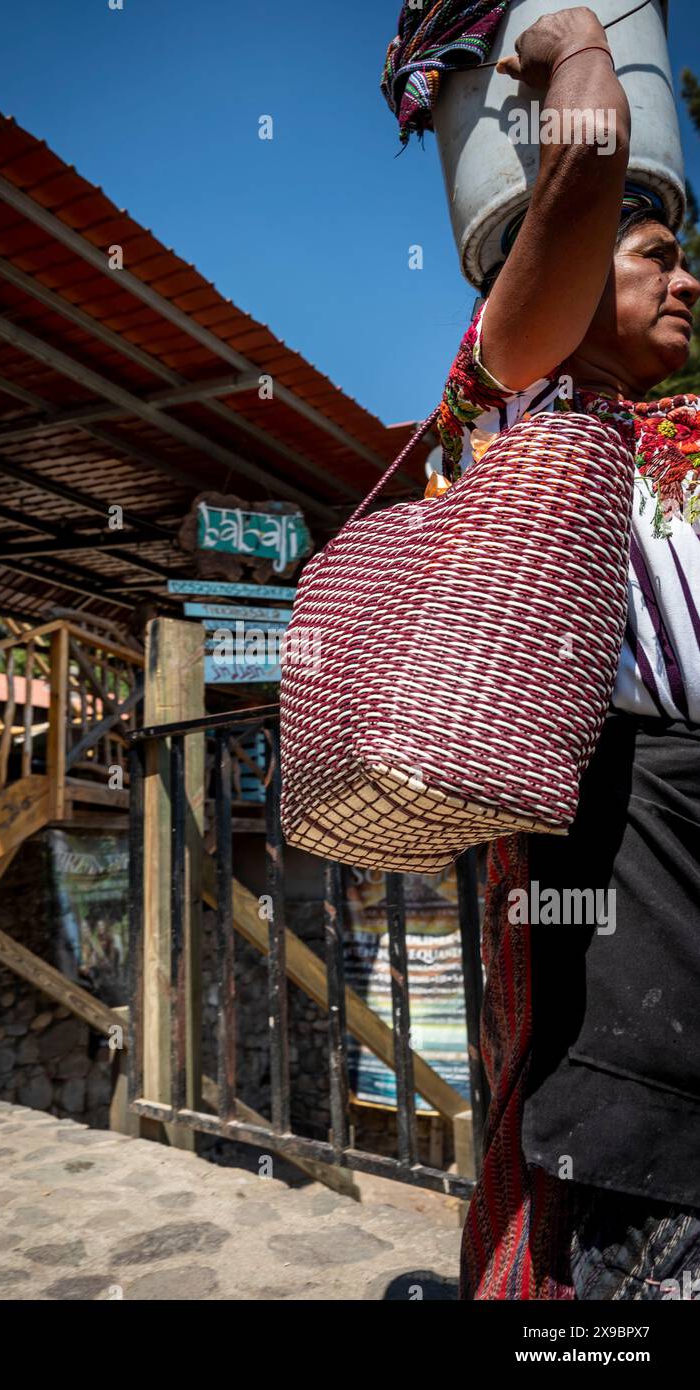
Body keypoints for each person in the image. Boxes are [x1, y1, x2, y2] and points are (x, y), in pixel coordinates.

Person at [436, 8, 700, 1300]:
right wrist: (559, 41)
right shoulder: (520, 385)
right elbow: (590, 148)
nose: (686, 278)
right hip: (633, 998)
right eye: (653, 254)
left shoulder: (670, 451)